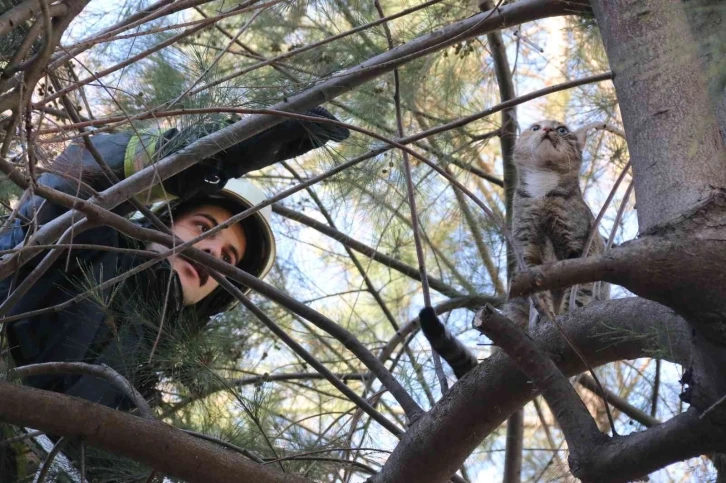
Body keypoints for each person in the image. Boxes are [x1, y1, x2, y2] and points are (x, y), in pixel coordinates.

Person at [0, 106, 349, 411]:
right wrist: (207, 156)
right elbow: (72, 186)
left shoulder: (143, 386)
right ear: (160, 222)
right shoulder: (89, 243)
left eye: (229, 259)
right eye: (203, 228)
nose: (213, 252)